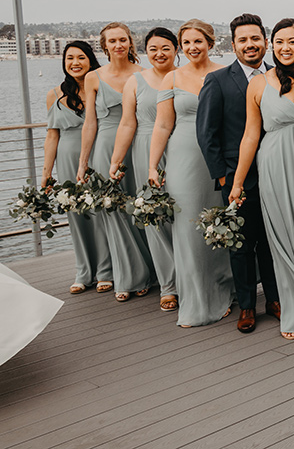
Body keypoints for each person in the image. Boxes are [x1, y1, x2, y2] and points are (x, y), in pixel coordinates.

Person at [229, 18, 294, 340]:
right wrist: (237, 182)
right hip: (275, 166)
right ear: (271, 46)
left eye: (292, 41)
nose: (285, 48)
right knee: (284, 240)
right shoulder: (259, 84)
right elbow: (250, 136)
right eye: (279, 42)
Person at [197, 13, 280, 334]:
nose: (250, 45)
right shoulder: (218, 81)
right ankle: (247, 305)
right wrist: (223, 177)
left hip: (276, 175)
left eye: (255, 39)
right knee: (242, 245)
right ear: (233, 45)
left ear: (265, 41)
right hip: (236, 179)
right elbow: (207, 133)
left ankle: (274, 299)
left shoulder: (277, 76)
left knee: (273, 241)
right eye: (243, 40)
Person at [150, 20, 233, 327]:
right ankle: (196, 298)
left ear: (210, 42)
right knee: (186, 227)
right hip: (183, 157)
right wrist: (151, 165)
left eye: (198, 41)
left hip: (220, 157)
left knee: (219, 220)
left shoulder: (226, 73)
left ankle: (225, 287)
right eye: (186, 43)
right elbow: (161, 125)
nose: (192, 48)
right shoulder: (171, 77)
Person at [77, 23, 154, 302]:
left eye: (123, 39)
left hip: (137, 147)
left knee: (139, 208)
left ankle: (151, 271)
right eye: (113, 41)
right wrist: (83, 162)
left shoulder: (145, 74)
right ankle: (129, 276)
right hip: (105, 149)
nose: (118, 44)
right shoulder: (93, 77)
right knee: (113, 213)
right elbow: (89, 124)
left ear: (130, 43)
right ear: (104, 45)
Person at [108, 28, 179, 312]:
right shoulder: (135, 82)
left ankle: (195, 276)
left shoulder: (186, 77)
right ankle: (169, 285)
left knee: (185, 214)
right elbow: (127, 123)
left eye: (165, 47)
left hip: (182, 150)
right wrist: (116, 159)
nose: (159, 54)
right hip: (145, 150)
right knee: (155, 217)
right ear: (145, 51)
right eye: (153, 48)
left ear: (176, 49)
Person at [41, 41, 111, 294]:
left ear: (91, 60)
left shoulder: (101, 87)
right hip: (68, 159)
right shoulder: (54, 94)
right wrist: (46, 173)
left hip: (98, 154)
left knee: (103, 212)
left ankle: (106, 270)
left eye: (81, 57)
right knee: (77, 214)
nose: (75, 63)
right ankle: (84, 271)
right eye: (70, 58)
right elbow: (52, 136)